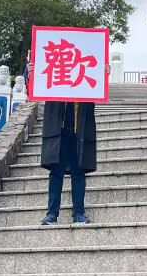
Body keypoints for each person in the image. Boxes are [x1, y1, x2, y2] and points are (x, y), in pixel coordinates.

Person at [28, 60, 110, 225]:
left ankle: (79, 213)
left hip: (79, 128)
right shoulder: (58, 68)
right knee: (56, 172)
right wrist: (33, 73)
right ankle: (52, 214)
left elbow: (97, 88)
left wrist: (103, 75)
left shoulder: (84, 70)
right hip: (58, 128)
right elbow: (38, 88)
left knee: (78, 172)